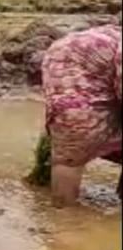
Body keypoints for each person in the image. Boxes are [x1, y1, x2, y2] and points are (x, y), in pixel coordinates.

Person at [40, 24, 122, 206]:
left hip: (62, 92)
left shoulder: (106, 35)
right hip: (90, 102)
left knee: (66, 159)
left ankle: (60, 214)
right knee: (71, 160)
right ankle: (67, 221)